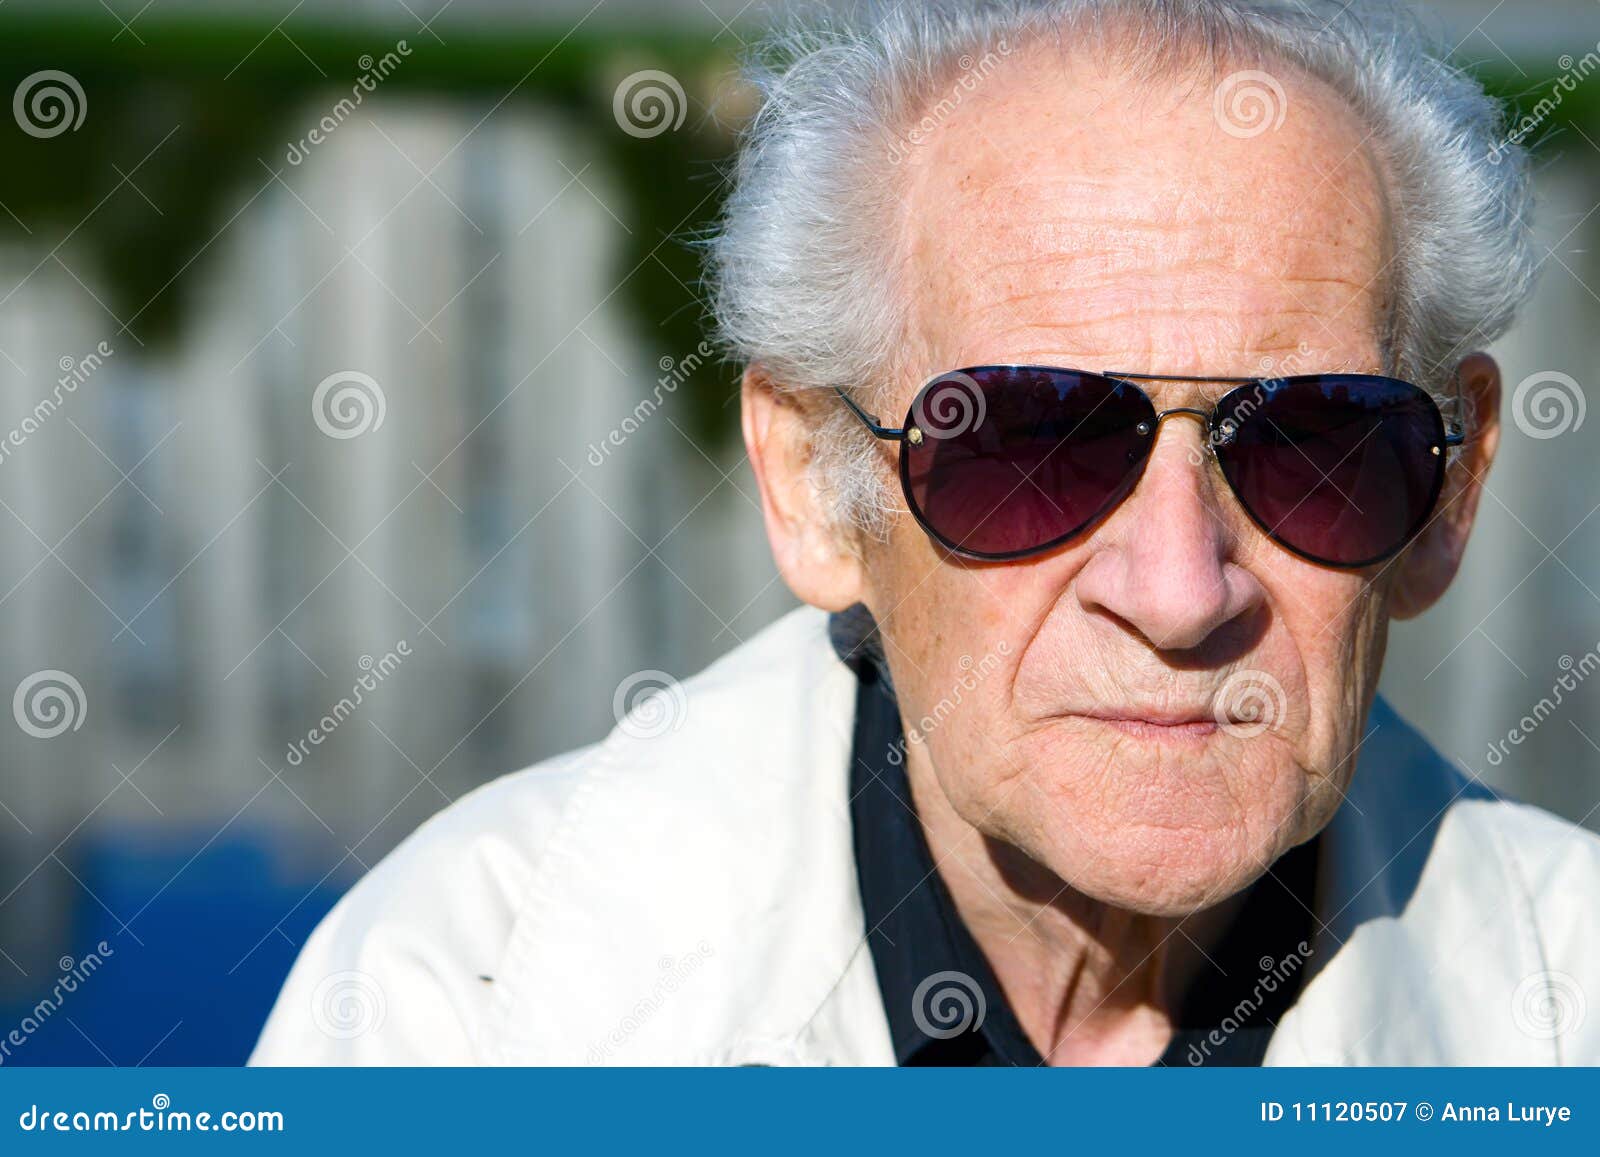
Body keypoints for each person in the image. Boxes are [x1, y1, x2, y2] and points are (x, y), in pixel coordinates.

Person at [252, 0, 1600, 1065]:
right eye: (1029, 444)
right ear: (811, 483)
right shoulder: (459, 1022)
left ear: (1452, 488)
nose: (1182, 589)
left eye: (1310, 444)